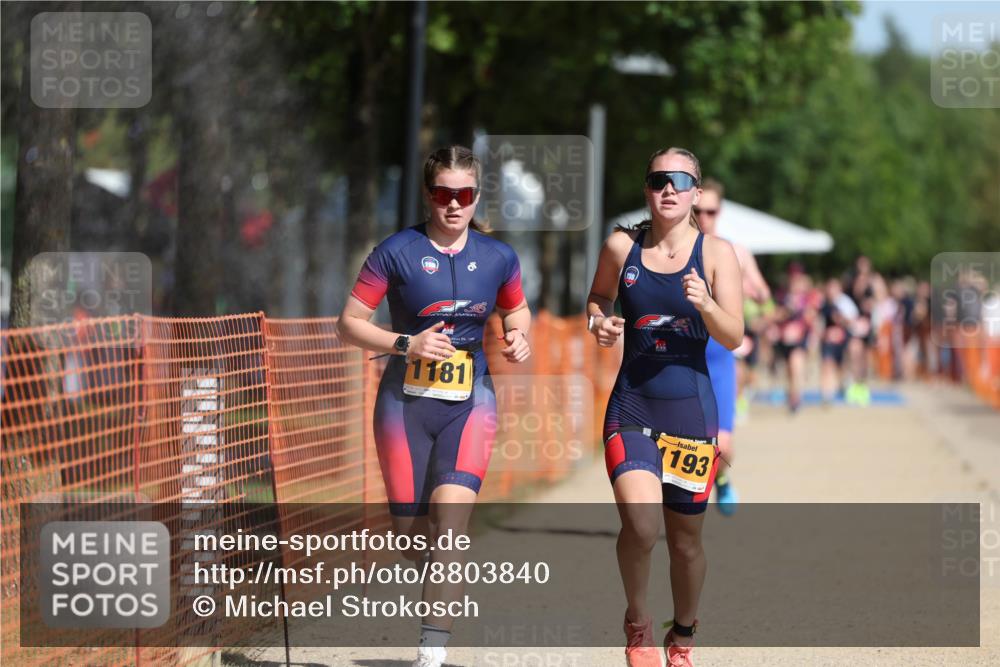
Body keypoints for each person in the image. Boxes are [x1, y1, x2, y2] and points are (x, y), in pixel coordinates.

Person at [337, 145, 531, 667]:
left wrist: (518, 337)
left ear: (475, 198)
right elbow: (348, 323)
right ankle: (434, 589)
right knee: (411, 538)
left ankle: (432, 652)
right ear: (429, 195)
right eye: (444, 194)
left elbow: (518, 311)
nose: (453, 204)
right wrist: (406, 344)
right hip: (404, 406)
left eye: (464, 195)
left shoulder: (498, 257)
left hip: (472, 401)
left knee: (450, 527)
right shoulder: (395, 251)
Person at [587, 147, 743, 667]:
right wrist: (599, 323)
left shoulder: (718, 254)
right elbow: (597, 299)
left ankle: (684, 635)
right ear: (647, 190)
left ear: (696, 193)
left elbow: (735, 335)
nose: (668, 189)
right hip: (633, 405)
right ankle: (638, 625)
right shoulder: (620, 246)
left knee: (686, 543)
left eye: (679, 180)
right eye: (658, 180)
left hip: (691, 412)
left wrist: (707, 304)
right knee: (642, 525)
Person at [694, 178, 770, 516]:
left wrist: (755, 290)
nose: (703, 217)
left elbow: (765, 297)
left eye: (710, 211)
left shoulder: (735, 251)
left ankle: (721, 480)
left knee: (721, 447)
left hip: (718, 356)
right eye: (697, 210)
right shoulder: (672, 249)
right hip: (679, 355)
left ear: (719, 211)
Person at [819, 277, 859, 403]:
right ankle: (827, 394)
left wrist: (840, 319)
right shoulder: (823, 304)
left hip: (843, 340)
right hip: (828, 340)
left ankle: (844, 385)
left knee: (840, 366)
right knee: (827, 364)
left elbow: (853, 321)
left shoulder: (844, 303)